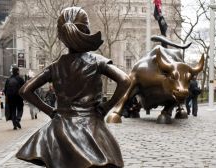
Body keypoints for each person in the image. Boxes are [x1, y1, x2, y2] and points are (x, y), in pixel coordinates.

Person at [16, 7, 131, 168]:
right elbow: (125, 80)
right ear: (86, 31)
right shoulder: (97, 61)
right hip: (91, 127)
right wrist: (106, 107)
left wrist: (50, 111)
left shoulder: (54, 66)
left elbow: (24, 90)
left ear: (60, 36)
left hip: (59, 129)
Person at [4, 64, 25, 130]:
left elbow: (5, 90)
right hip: (18, 97)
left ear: (12, 71)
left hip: (10, 98)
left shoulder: (8, 79)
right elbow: (24, 88)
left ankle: (14, 125)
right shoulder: (20, 79)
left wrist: (7, 97)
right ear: (18, 71)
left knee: (13, 110)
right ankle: (18, 119)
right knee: (20, 109)